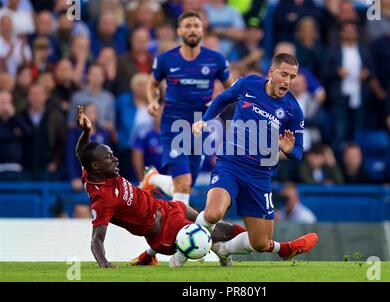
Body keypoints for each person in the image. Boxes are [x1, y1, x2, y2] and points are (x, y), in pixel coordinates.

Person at [180, 53, 318, 268]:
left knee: (261, 242)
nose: (288, 81)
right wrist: (204, 121)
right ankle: (181, 253)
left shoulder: (293, 110)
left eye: (293, 77)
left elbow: (299, 152)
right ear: (271, 72)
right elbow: (223, 99)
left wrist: (289, 150)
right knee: (213, 213)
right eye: (284, 74)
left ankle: (223, 250)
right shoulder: (248, 84)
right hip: (230, 164)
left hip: (260, 174)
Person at [74, 105, 246, 268]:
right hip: (163, 231)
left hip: (165, 206)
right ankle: (263, 245)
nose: (115, 159)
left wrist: (87, 131)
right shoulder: (103, 199)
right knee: (221, 233)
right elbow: (96, 239)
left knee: (214, 223)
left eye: (112, 155)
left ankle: (239, 245)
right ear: (96, 166)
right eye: (108, 158)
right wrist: (104, 262)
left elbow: (81, 153)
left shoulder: (90, 171)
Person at [143, 11, 234, 206]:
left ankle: (153, 179)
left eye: (196, 26)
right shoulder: (166, 59)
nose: (192, 30)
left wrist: (219, 102)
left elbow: (232, 91)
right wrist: (152, 101)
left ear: (202, 30)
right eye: (188, 26)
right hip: (174, 124)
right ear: (179, 31)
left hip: (201, 124)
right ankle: (179, 233)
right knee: (183, 184)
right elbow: (152, 84)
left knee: (186, 184)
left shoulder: (215, 59)